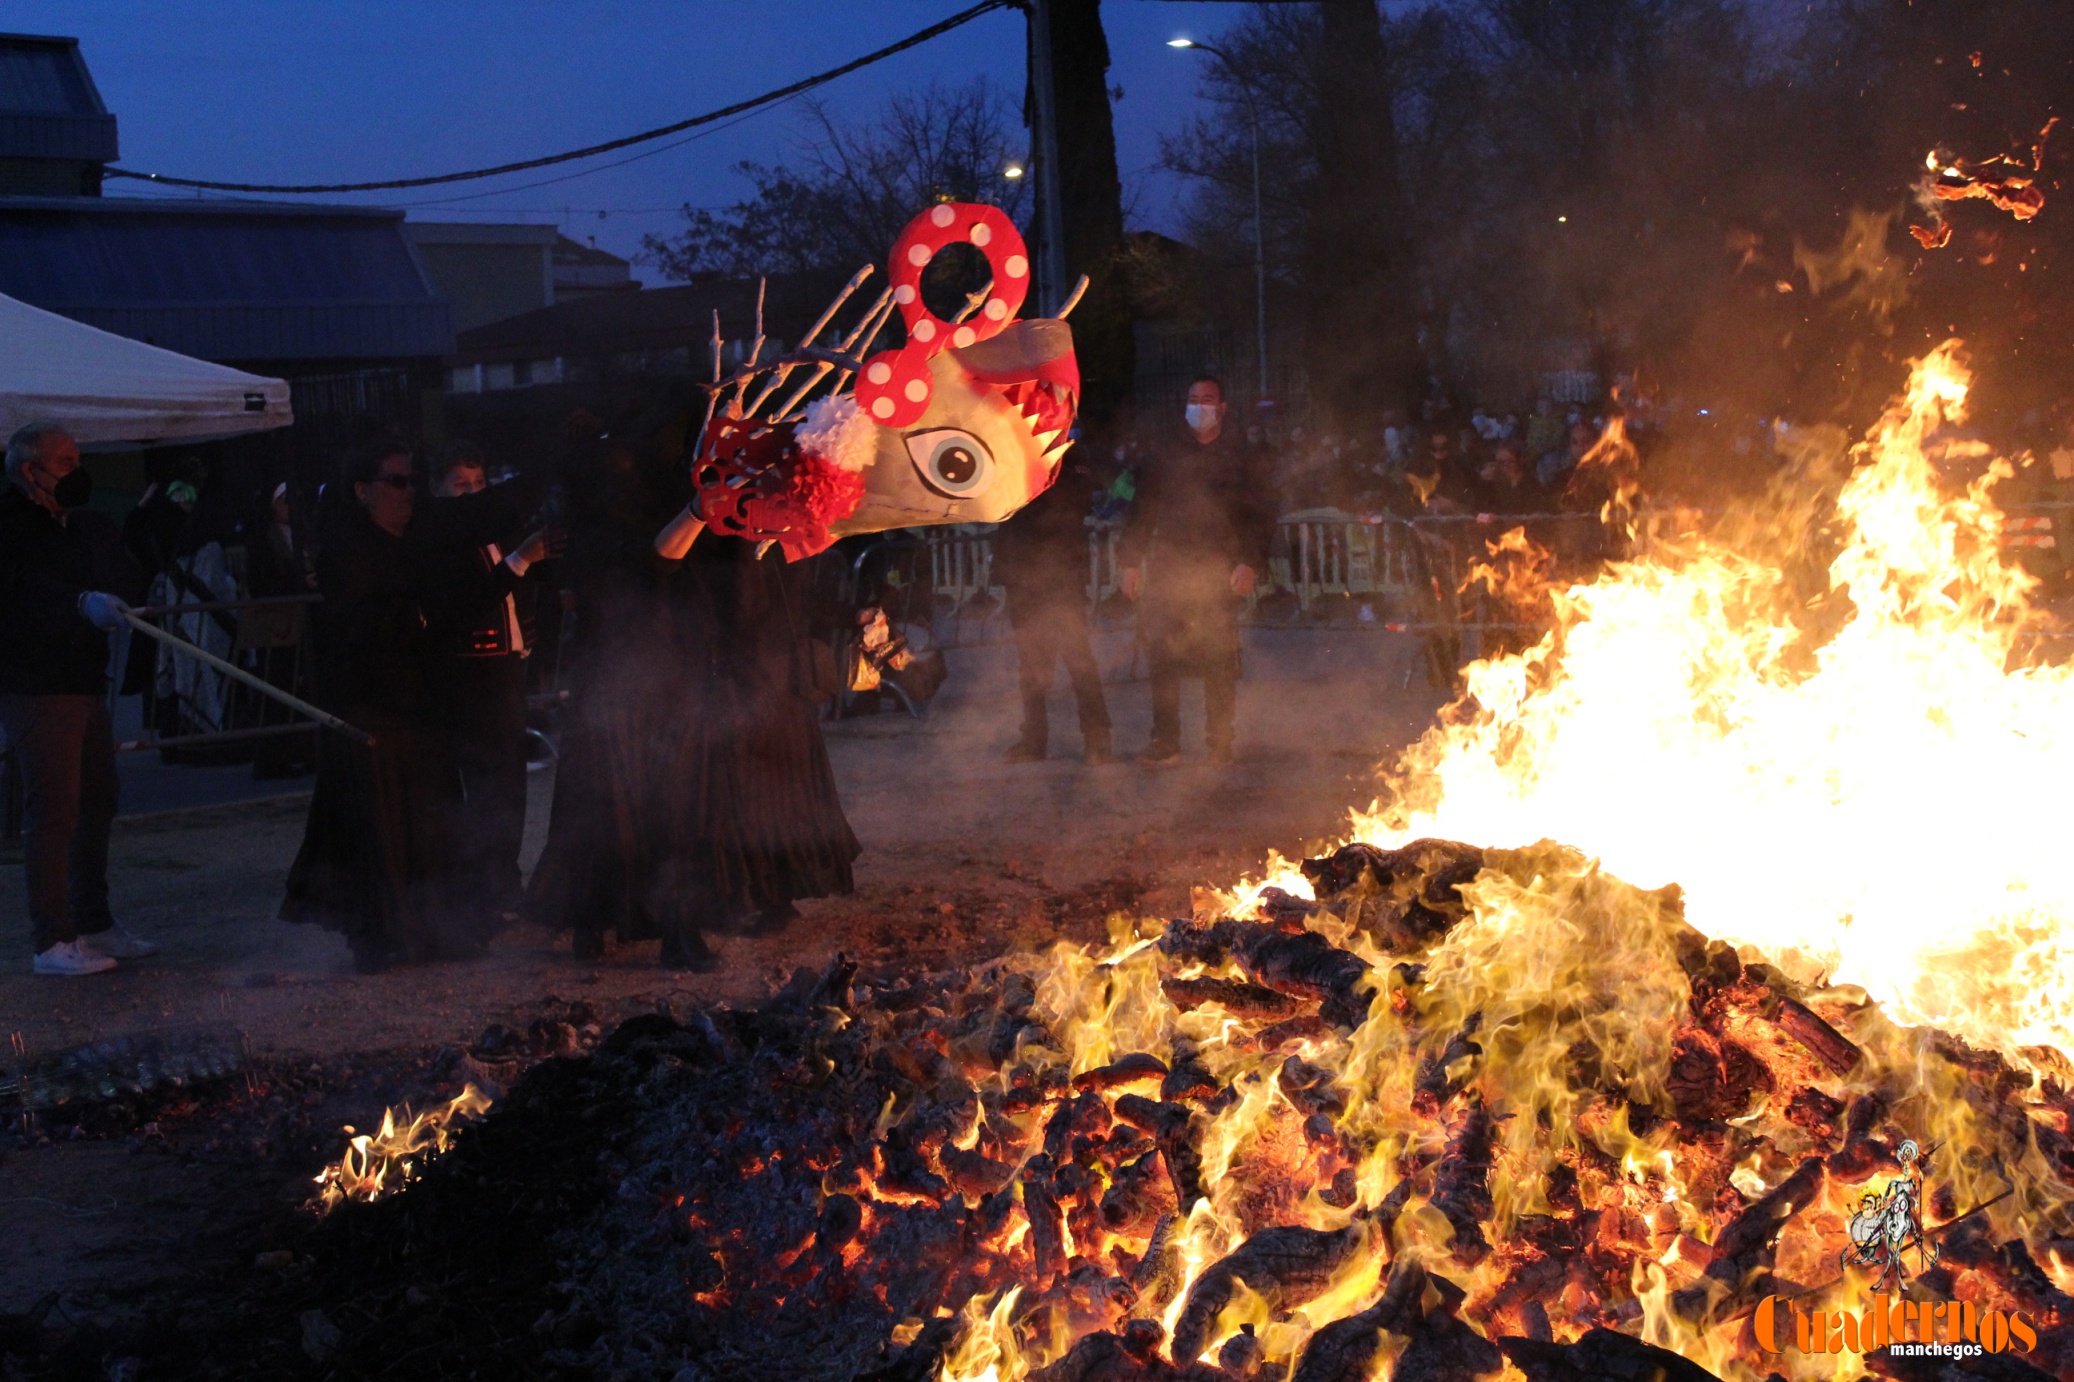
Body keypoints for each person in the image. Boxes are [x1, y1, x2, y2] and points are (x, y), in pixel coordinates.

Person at [280, 442, 475, 971]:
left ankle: (433, 925)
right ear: (363, 491)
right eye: (397, 482)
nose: (408, 493)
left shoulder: (412, 544)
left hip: (419, 705)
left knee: (426, 823)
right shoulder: (347, 551)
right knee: (377, 829)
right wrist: (419, 614)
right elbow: (361, 632)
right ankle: (379, 932)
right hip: (371, 710)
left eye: (412, 481)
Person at [0, 422, 153, 975]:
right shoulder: (11, 527)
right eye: (65, 463)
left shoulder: (76, 526)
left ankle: (93, 922)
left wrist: (119, 597)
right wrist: (79, 601)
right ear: (28, 471)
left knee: (96, 803)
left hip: (85, 682)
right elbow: (20, 592)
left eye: (78, 459)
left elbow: (117, 573)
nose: (78, 471)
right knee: (55, 812)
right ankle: (52, 940)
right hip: (39, 686)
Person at [416, 442, 558, 924]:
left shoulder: (491, 532)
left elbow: (513, 601)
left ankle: (502, 883)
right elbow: (467, 603)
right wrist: (519, 561)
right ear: (438, 490)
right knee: (489, 785)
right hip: (472, 675)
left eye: (479, 485)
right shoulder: (444, 540)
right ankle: (487, 889)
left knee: (508, 785)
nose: (474, 495)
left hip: (502, 668)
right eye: (462, 487)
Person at [1118, 376, 1274, 765]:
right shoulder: (1166, 454)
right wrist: (1130, 561)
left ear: (1222, 408)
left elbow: (1262, 515)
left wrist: (1250, 561)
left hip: (1219, 570)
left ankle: (1220, 740)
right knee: (1163, 654)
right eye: (1193, 399)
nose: (1199, 406)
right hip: (1171, 567)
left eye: (1207, 400)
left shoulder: (1243, 456)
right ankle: (1165, 738)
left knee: (1218, 657)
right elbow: (1142, 509)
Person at [992, 448, 1112, 764]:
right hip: (1023, 574)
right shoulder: (1010, 455)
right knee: (1031, 665)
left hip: (1062, 577)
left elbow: (1073, 502)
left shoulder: (1069, 460)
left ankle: (1097, 737)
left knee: (1078, 659)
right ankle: (1034, 739)